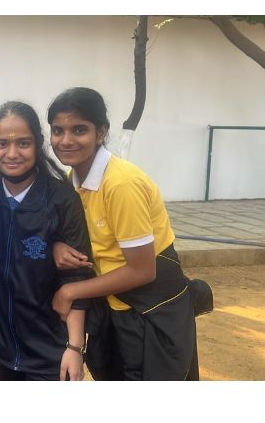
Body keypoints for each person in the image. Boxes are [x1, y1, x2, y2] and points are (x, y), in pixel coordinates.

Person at [46, 87, 199, 380]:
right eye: (57, 131)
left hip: (150, 311)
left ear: (101, 132)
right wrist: (57, 246)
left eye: (79, 130)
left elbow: (142, 270)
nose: (65, 140)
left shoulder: (120, 184)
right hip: (111, 307)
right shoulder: (72, 179)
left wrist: (71, 291)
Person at [0, 101, 94, 381]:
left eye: (23, 143)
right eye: (2, 144)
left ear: (39, 144)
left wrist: (74, 347)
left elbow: (77, 275)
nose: (12, 154)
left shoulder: (61, 199)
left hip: (50, 351)